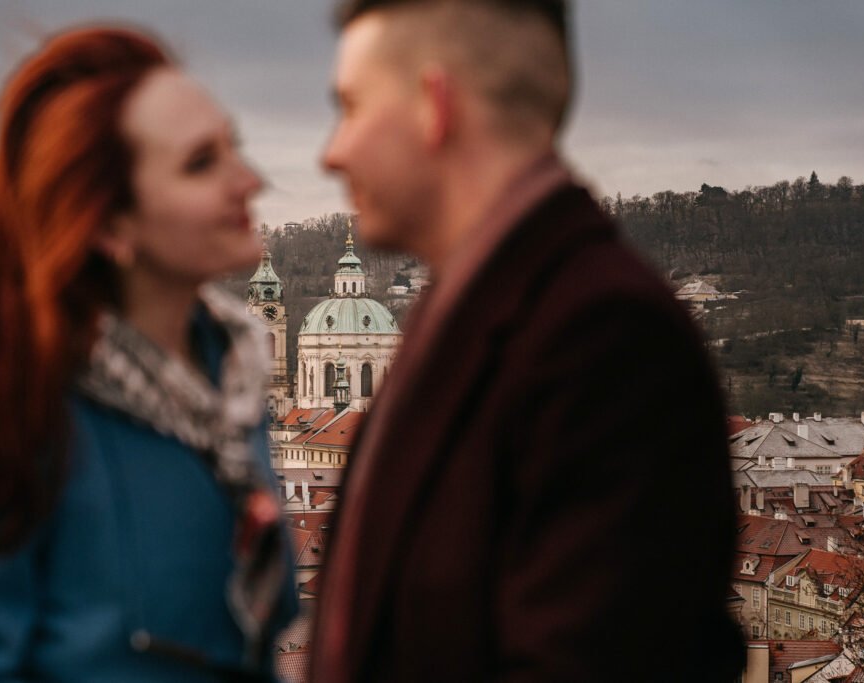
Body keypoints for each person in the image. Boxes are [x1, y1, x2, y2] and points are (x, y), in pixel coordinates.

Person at [310, 1, 744, 681]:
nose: (332, 151)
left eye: (352, 106)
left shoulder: (602, 336)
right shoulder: (467, 308)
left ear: (433, 104)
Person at [0, 26, 297, 682]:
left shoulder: (232, 390)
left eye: (237, 147)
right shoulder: (7, 417)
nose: (250, 180)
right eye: (202, 163)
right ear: (113, 226)